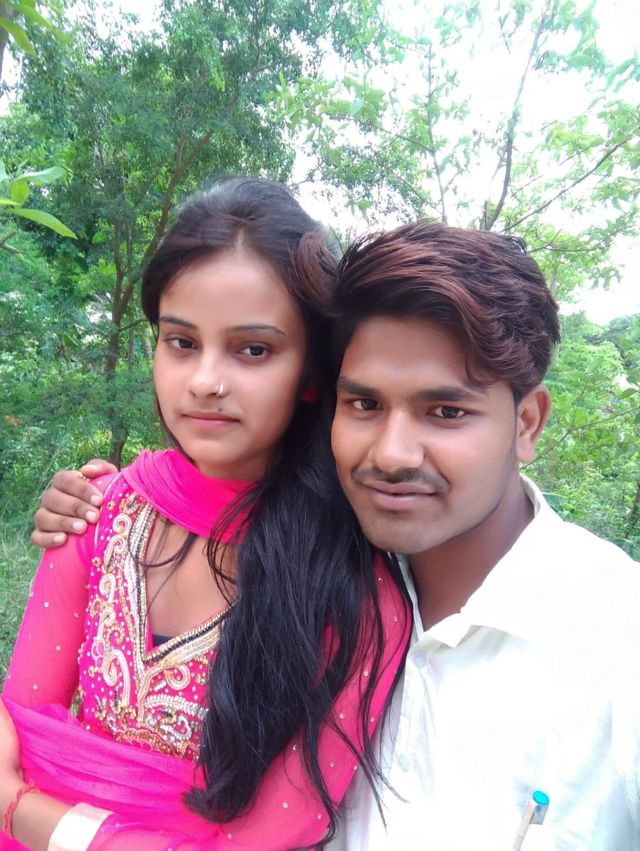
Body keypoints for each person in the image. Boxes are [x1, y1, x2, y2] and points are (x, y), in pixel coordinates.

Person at [35, 221, 640, 850]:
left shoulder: (618, 649)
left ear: (527, 423)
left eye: (446, 412)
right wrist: (85, 504)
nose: (393, 453)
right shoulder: (314, 578)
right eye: (365, 405)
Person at [0, 178, 411, 851]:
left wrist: (33, 815)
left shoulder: (354, 593)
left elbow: (272, 834)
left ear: (313, 372)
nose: (204, 381)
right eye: (182, 342)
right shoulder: (99, 511)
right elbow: (17, 723)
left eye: (253, 349)